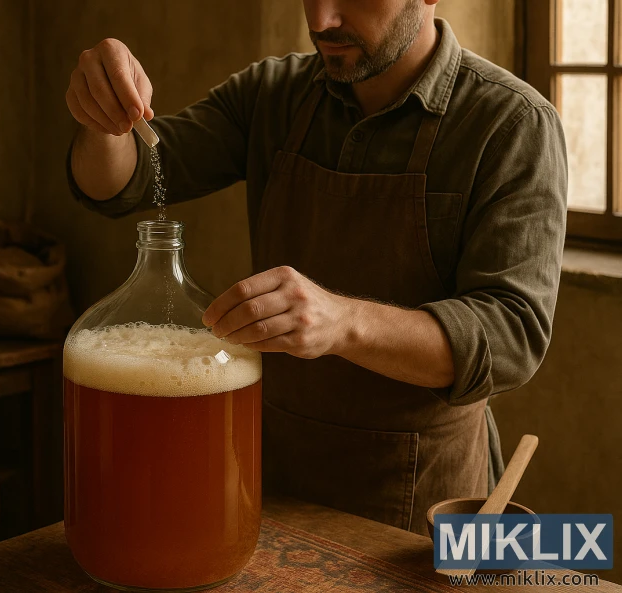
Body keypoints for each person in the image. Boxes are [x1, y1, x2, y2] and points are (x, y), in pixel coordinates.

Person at [65, 0, 567, 535]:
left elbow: (512, 337)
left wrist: (342, 322)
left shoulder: (510, 123)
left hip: (422, 498)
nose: (323, 21)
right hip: (272, 477)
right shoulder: (274, 94)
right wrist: (103, 118)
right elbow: (122, 183)